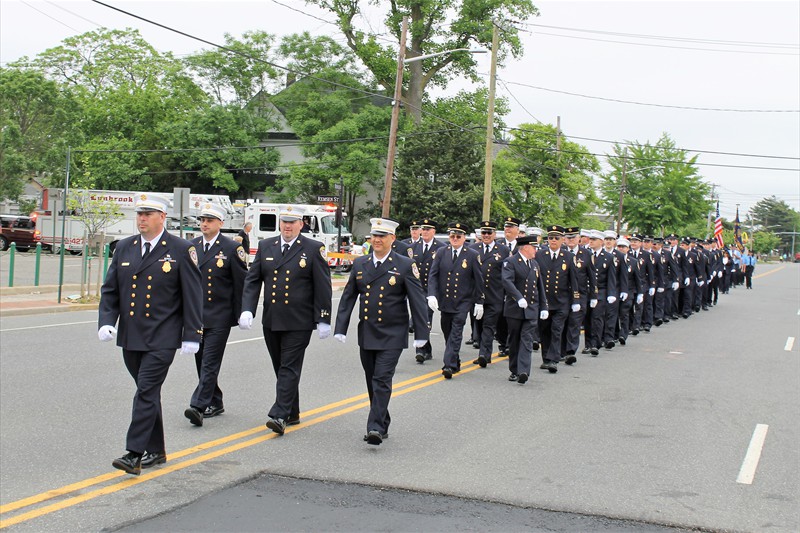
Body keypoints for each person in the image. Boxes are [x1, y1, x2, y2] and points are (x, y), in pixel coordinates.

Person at [98, 193, 202, 475]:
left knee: (145, 391)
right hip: (132, 336)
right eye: (139, 214)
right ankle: (157, 449)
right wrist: (107, 321)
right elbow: (111, 289)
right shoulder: (125, 247)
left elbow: (193, 295)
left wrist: (192, 333)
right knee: (148, 392)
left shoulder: (181, 248)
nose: (141, 219)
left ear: (162, 218)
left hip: (163, 336)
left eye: (147, 214)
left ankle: (134, 453)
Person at [239, 206, 333, 435]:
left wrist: (323, 317)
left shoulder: (312, 248)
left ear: (301, 224)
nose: (288, 226)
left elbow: (323, 285)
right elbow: (253, 280)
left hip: (299, 321)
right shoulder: (266, 245)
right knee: (280, 367)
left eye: (293, 222)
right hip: (272, 318)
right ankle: (293, 411)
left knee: (289, 367)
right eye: (284, 222)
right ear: (279, 224)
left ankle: (279, 414)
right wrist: (248, 309)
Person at [334, 218, 429, 445]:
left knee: (382, 379)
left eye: (382, 236)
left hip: (392, 333)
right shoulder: (360, 263)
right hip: (367, 332)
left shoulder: (405, 265)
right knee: (371, 381)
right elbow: (348, 297)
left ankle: (374, 427)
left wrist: (422, 334)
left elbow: (417, 301)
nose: (376, 240)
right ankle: (382, 420)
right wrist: (340, 327)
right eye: (374, 236)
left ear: (392, 239)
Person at [184, 204, 248, 427]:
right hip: (196, 315)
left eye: (210, 220)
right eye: (202, 220)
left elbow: (241, 283)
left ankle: (198, 406)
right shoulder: (191, 246)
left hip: (220, 314)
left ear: (220, 223)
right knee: (201, 361)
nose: (204, 224)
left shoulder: (231, 248)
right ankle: (215, 400)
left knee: (210, 361)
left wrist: (243, 312)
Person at [427, 222, 485, 379]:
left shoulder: (472, 255)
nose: (454, 238)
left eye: (458, 236)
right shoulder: (441, 252)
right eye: (452, 236)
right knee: (447, 331)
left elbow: (479, 280)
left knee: (456, 332)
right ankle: (455, 359)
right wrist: (431, 294)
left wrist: (479, 301)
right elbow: (433, 275)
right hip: (445, 301)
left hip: (463, 301)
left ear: (464, 238)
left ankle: (449, 365)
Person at [502, 235, 548, 384]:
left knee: (527, 340)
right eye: (534, 247)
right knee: (515, 340)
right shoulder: (510, 262)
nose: (536, 250)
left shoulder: (534, 264)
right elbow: (507, 282)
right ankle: (514, 369)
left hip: (531, 308)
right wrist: (518, 297)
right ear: (526, 247)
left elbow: (539, 287)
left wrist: (543, 306)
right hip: (515, 308)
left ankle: (523, 371)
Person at [537, 225, 580, 373]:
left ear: (562, 240)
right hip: (545, 301)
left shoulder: (568, 257)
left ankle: (554, 359)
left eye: (556, 238)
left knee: (557, 330)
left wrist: (576, 300)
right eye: (550, 238)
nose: (553, 240)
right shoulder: (540, 255)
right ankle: (546, 359)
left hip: (562, 301)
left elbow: (574, 280)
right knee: (544, 330)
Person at [470, 221, 510, 368]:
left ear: (494, 234)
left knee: (489, 325)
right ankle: (483, 350)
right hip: (477, 295)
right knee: (479, 324)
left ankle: (484, 355)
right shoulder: (473, 248)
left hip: (495, 294)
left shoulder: (503, 250)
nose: (486, 236)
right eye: (484, 233)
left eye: (489, 233)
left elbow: (506, 274)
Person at [411, 219, 444, 363]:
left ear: (433, 232)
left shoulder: (441, 247)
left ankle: (421, 349)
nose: (424, 232)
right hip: (416, 290)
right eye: (423, 229)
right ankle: (425, 349)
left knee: (425, 317)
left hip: (432, 290)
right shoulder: (412, 248)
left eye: (428, 229)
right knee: (421, 318)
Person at [562, 226, 596, 364]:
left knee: (575, 323)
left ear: (579, 239)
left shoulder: (586, 254)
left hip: (580, 294)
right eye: (568, 238)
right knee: (562, 323)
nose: (571, 240)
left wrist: (593, 295)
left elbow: (592, 276)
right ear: (564, 239)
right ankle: (560, 350)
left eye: (573, 238)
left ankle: (570, 351)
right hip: (563, 294)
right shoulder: (561, 252)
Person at [585, 230, 617, 356]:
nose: (591, 241)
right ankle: (588, 344)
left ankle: (595, 344)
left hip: (601, 291)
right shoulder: (586, 254)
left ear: (601, 242)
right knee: (587, 318)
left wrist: (611, 293)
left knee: (597, 318)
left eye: (594, 240)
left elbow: (611, 277)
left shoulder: (608, 257)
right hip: (587, 291)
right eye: (590, 239)